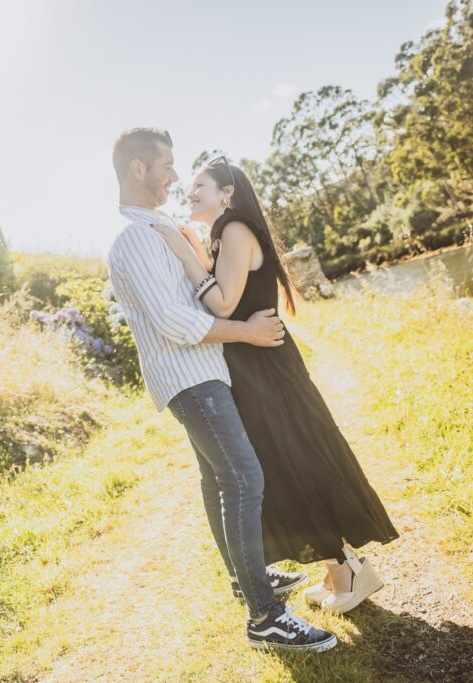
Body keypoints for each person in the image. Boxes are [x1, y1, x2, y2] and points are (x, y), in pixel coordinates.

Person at [106, 128, 337, 652]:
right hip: (190, 376)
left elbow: (204, 290)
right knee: (243, 477)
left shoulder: (160, 227)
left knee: (218, 479)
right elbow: (171, 320)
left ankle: (246, 579)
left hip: (204, 370)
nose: (173, 175)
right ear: (138, 169)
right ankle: (265, 617)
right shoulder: (136, 238)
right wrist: (248, 332)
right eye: (166, 166)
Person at [150, 154, 399, 615]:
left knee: (292, 461)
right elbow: (227, 294)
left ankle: (346, 572)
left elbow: (222, 305)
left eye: (198, 185)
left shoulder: (235, 230)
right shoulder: (225, 234)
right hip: (254, 362)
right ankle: (341, 567)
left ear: (226, 192)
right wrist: (196, 249)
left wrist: (184, 251)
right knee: (286, 463)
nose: (188, 192)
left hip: (263, 365)